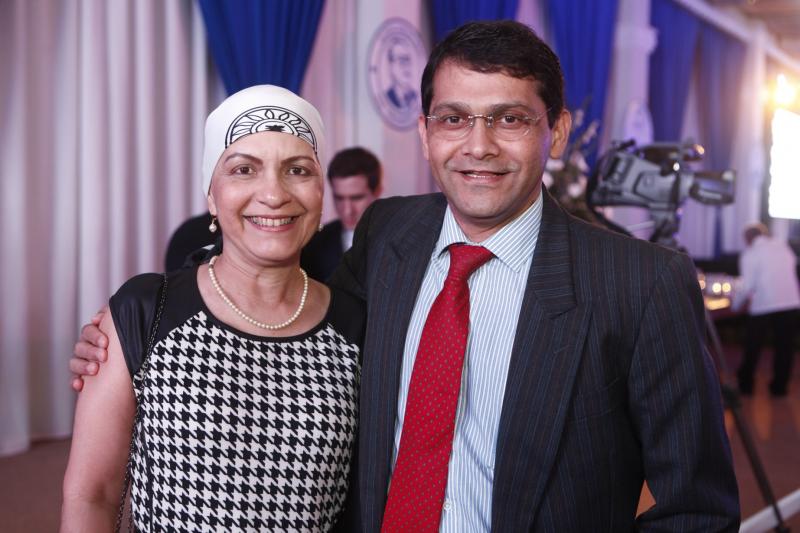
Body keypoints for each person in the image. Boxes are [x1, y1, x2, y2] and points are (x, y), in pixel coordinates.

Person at [71, 21, 739, 531]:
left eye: (510, 118)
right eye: (454, 118)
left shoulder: (640, 283)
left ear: (556, 131)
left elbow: (698, 510)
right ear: (424, 133)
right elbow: (285, 310)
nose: (478, 145)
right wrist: (139, 326)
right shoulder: (390, 234)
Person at [61, 85, 363, 531]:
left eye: (297, 170)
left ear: (321, 192)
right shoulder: (147, 310)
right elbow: (92, 495)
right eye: (244, 169)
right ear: (211, 195)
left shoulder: (357, 327)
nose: (273, 193)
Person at [732, 222, 800, 397]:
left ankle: (746, 386)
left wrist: (735, 305)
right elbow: (793, 266)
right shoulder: (782, 246)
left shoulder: (750, 253)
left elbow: (747, 286)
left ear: (748, 238)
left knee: (753, 346)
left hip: (764, 304)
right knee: (785, 348)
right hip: (790, 302)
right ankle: (779, 388)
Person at [301, 147, 383, 281]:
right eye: (339, 198)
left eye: (356, 198)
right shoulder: (313, 244)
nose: (347, 210)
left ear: (377, 192)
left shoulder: (400, 240)